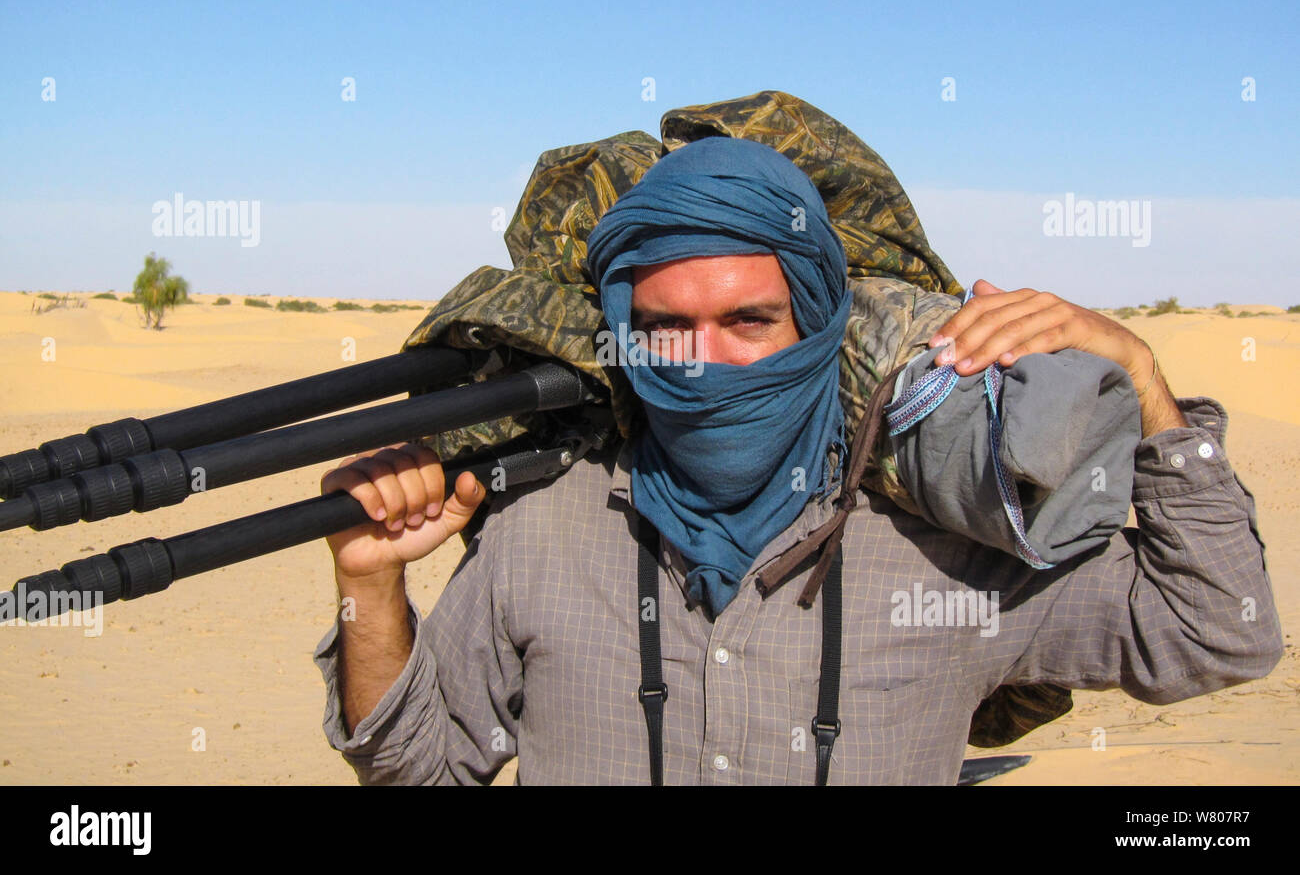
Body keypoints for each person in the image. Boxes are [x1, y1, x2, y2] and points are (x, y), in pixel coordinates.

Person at [313, 138, 1282, 784]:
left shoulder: (945, 549)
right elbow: (419, 770)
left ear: (816, 322)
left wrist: (1145, 380)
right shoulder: (544, 527)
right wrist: (370, 585)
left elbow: (1215, 630)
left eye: (748, 320)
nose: (705, 362)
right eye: (664, 328)